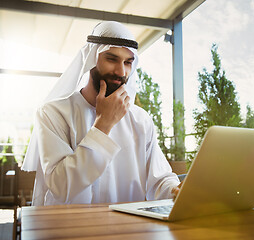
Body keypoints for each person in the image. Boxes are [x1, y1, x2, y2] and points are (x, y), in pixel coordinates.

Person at [22, 21, 180, 206]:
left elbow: (159, 179)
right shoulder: (53, 113)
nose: (121, 71)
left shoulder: (140, 119)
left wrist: (176, 190)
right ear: (91, 59)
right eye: (112, 59)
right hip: (68, 230)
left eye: (128, 62)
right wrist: (103, 124)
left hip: (127, 229)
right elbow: (61, 187)